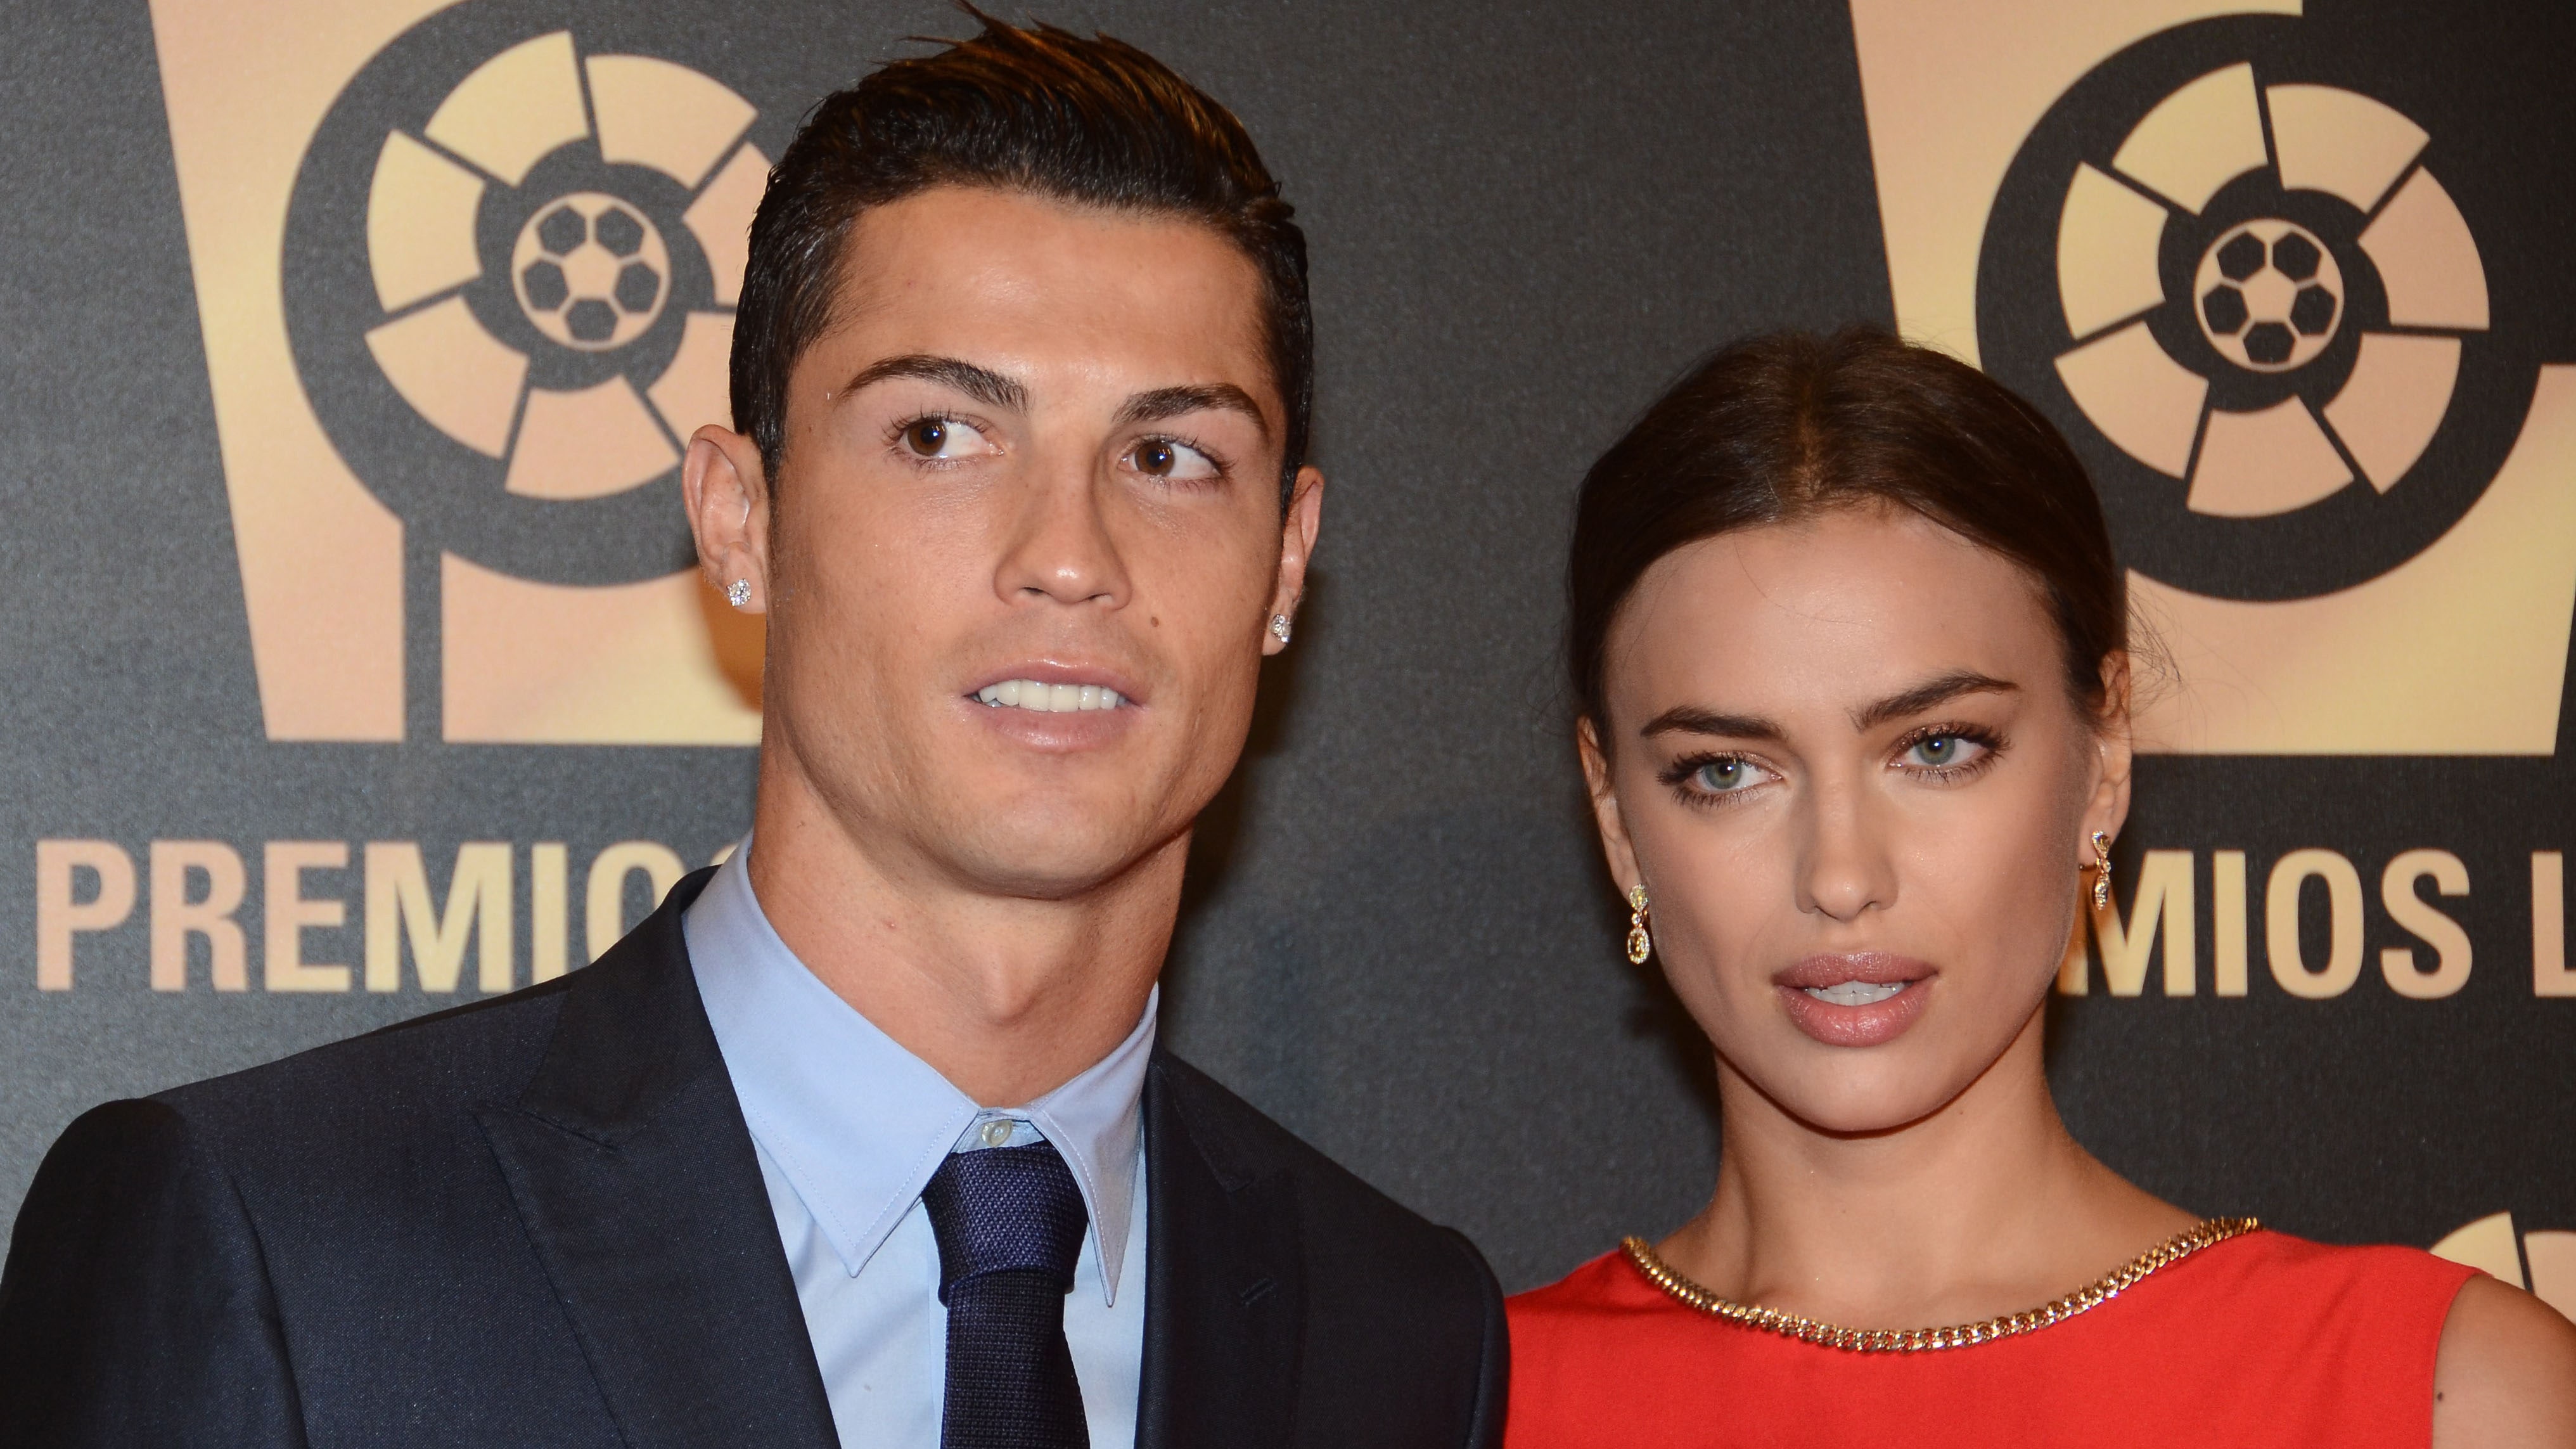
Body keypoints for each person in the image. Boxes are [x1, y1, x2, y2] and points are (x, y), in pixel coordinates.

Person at [0, 17, 1505, 1448]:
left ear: (1285, 562)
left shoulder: (1393, 1330)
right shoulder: (278, 1242)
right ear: (741, 516)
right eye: (940, 434)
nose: (1068, 552)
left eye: (1170, 454)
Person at [1505, 330, 2576, 1447]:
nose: (1839, 876)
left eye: (1936, 748)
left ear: (2101, 758)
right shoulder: (1462, 1404)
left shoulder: (2446, 1393)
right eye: (1726, 770)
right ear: (1618, 816)